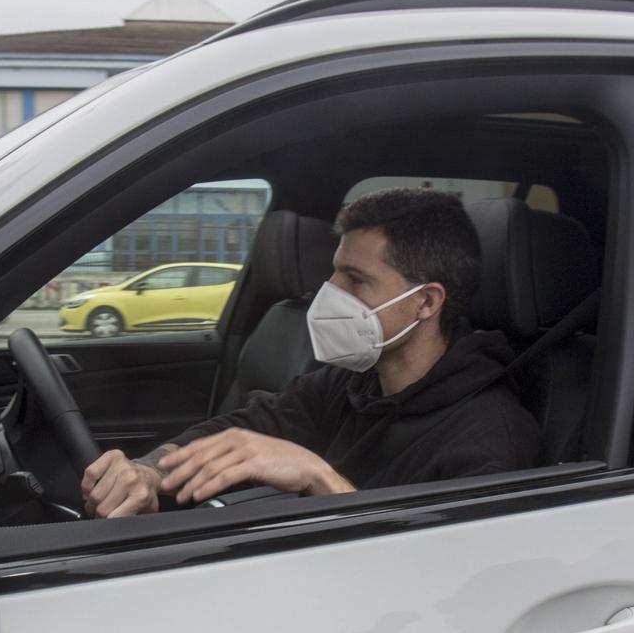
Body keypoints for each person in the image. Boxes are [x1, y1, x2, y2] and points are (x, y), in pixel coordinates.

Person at [81, 188, 542, 519]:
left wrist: (321, 480)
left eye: (355, 280)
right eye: (334, 274)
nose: (329, 292)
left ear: (426, 301)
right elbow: (246, 429)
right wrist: (147, 472)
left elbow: (448, 586)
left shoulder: (490, 439)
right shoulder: (352, 379)